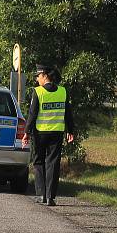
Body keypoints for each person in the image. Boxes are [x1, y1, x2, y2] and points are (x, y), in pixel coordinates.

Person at [21, 64, 74, 206]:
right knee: (53, 164)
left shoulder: (38, 92)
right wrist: (71, 130)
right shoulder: (63, 91)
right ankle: (51, 197)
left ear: (44, 75)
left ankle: (41, 195)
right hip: (57, 133)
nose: (37, 79)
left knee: (38, 162)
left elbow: (32, 114)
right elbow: (68, 113)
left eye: (38, 76)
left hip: (40, 134)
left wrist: (26, 132)